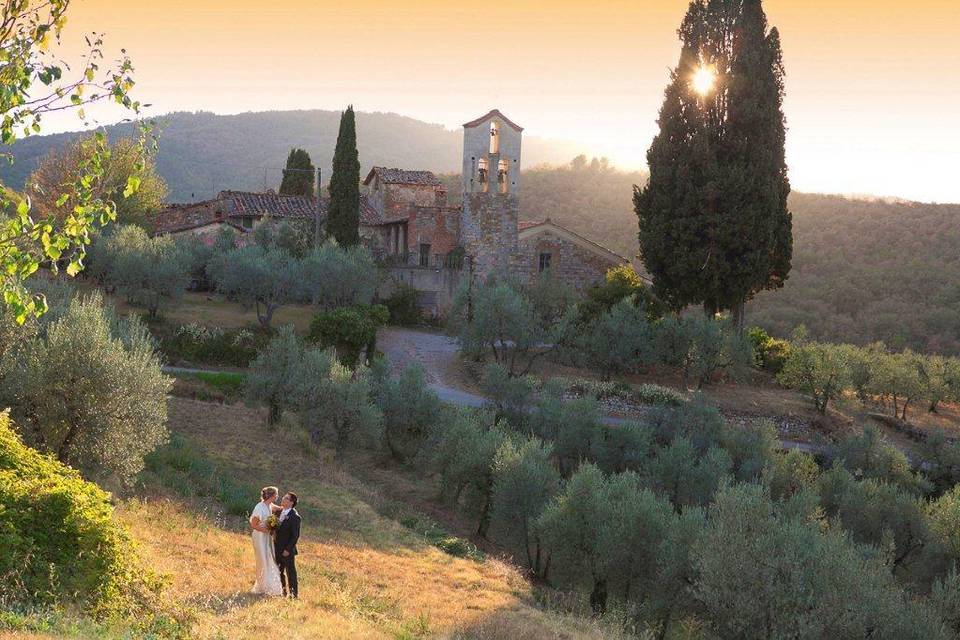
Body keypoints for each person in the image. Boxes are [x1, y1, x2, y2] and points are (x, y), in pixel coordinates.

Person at [249, 486, 283, 596]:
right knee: (262, 559)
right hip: (259, 536)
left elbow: (280, 508)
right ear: (272, 496)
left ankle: (269, 585)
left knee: (269, 557)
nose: (277, 497)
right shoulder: (259, 507)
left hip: (267, 536)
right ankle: (262, 586)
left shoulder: (270, 505)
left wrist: (289, 508)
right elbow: (254, 524)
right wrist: (266, 530)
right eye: (276, 495)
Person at [274, 491, 301, 598]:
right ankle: (282, 591)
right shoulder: (278, 512)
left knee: (290, 572)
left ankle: (294, 594)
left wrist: (288, 549)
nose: (283, 499)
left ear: (291, 502)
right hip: (276, 547)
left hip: (287, 550)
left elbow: (295, 536)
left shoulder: (295, 517)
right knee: (278, 571)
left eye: (286, 498)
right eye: (284, 497)